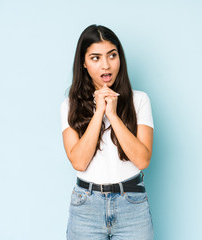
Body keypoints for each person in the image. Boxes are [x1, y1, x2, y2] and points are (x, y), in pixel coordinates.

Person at [60, 24, 154, 240]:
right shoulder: (69, 105)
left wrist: (112, 115)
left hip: (132, 204)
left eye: (112, 55)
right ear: (83, 62)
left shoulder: (139, 100)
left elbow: (142, 159)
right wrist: (99, 111)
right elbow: (79, 162)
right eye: (95, 58)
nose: (106, 65)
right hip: (86, 207)